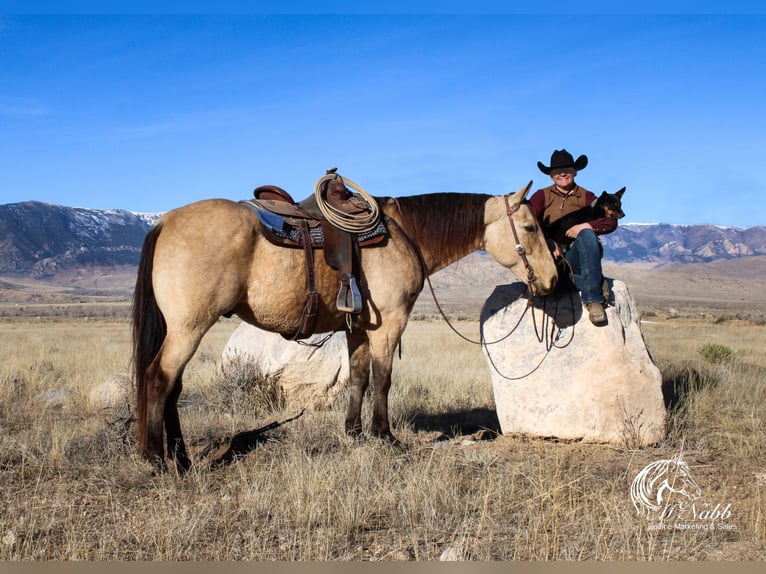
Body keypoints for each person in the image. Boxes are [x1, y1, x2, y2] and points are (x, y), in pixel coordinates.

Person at [529, 149, 618, 326]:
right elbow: (528, 223)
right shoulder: (541, 196)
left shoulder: (588, 197)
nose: (562, 173)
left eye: (567, 169)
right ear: (551, 175)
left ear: (575, 172)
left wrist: (587, 225)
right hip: (552, 259)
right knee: (553, 283)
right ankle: (593, 282)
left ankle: (593, 299)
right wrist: (547, 242)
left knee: (586, 234)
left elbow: (611, 222)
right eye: (557, 171)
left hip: (577, 256)